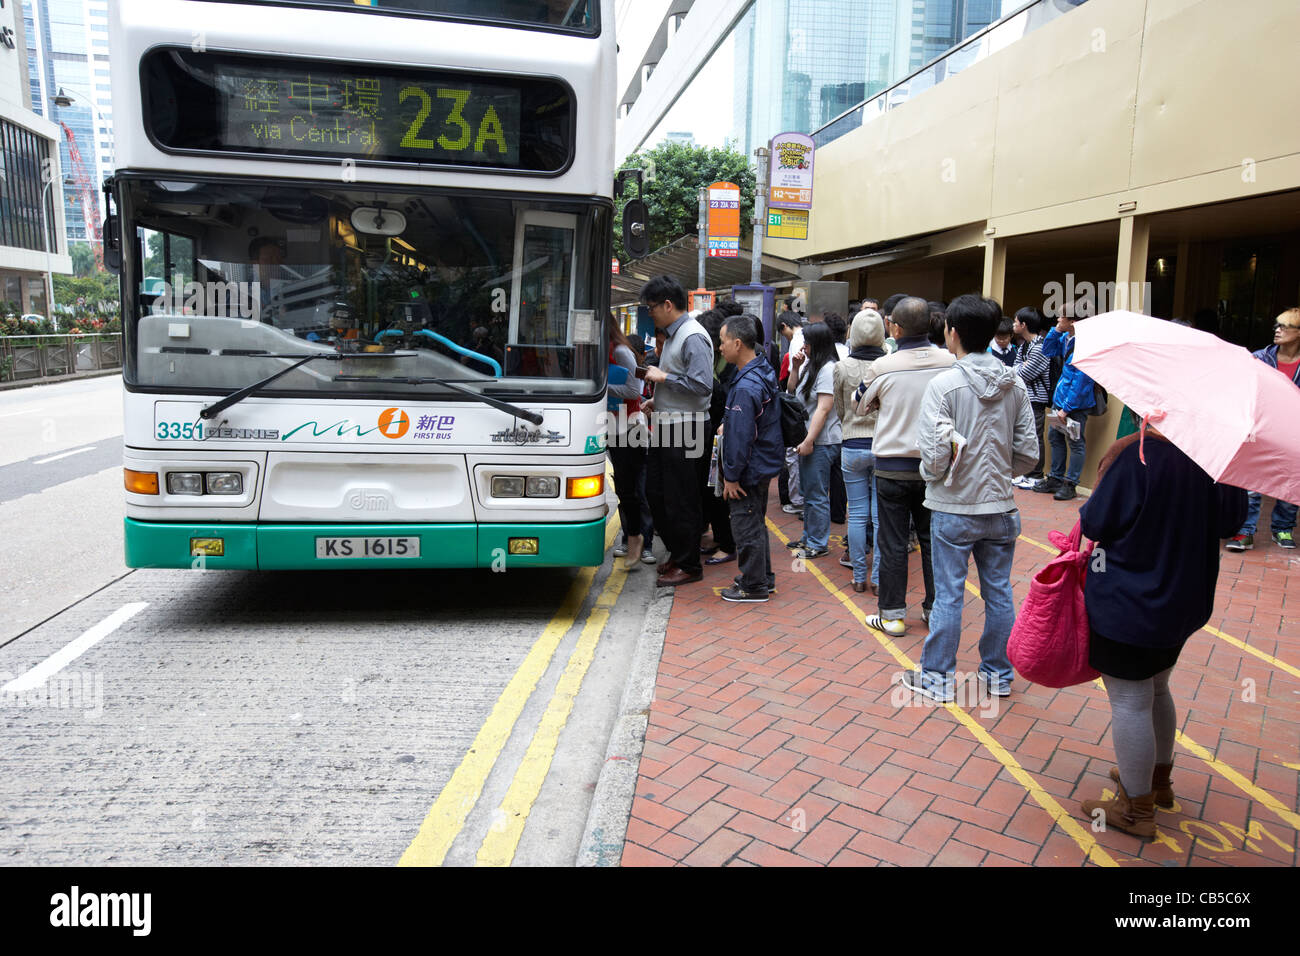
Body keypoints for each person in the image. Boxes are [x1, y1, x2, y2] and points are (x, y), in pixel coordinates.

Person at [1077, 427, 1247, 839]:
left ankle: (1136, 809)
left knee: (1131, 699)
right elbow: (1232, 521)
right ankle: (1157, 781)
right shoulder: (1218, 453)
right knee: (1155, 687)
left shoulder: (1140, 455)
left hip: (1130, 600)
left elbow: (1096, 519)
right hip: (1184, 600)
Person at [906, 295, 1039, 701]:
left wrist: (938, 475)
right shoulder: (1014, 383)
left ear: (953, 332)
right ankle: (998, 674)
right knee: (999, 592)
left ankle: (938, 678)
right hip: (1001, 506)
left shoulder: (943, 386)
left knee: (949, 593)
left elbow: (932, 456)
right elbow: (1029, 454)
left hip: (953, 507)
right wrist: (1000, 466)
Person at [853, 296, 955, 636]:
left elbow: (859, 405)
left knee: (893, 542)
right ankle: (934, 610)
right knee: (932, 541)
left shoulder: (885, 365)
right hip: (936, 468)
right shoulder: (950, 361)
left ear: (894, 327)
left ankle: (893, 615)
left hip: (892, 467)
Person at [640, 275, 714, 586]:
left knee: (681, 498)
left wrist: (663, 380)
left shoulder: (692, 336)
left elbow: (701, 385)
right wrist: (659, 400)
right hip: (670, 426)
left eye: (652, 307)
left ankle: (689, 564)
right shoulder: (673, 334)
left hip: (688, 429)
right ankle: (678, 553)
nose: (650, 313)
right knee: (657, 493)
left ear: (668, 305)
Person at [718, 314, 784, 602]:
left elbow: (741, 437)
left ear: (737, 343)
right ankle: (763, 578)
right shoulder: (761, 369)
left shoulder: (745, 386)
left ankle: (753, 586)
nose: (720, 348)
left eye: (722, 342)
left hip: (749, 467)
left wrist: (731, 476)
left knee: (745, 524)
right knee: (756, 521)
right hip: (764, 461)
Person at [1225, 307, 1300, 551]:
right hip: (1259, 424)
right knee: (1250, 481)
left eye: (1285, 326)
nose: (1277, 330)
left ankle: (1283, 529)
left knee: (1291, 478)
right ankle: (1245, 531)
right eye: (1276, 326)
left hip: (1292, 429)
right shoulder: (1260, 357)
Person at [834, 308, 886, 593]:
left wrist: (850, 424)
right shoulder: (889, 365)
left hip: (852, 443)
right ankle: (878, 578)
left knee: (855, 513)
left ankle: (857, 576)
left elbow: (841, 410)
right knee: (880, 515)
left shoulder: (842, 367)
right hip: (883, 445)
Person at [787, 322, 842, 559]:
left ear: (817, 344)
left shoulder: (828, 369)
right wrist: (796, 368)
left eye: (807, 344)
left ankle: (818, 543)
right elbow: (791, 392)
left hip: (821, 441)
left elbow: (824, 408)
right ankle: (809, 537)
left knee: (817, 494)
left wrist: (809, 440)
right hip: (809, 439)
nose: (804, 347)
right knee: (809, 492)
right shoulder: (811, 365)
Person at [1034, 300, 1095, 502]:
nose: (1057, 320)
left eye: (1061, 317)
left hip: (1075, 405)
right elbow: (1048, 350)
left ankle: (1070, 484)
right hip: (1060, 400)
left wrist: (1066, 409)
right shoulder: (1066, 338)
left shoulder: (1086, 344)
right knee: (1055, 437)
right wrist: (1055, 331)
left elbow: (1082, 381)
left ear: (1073, 320)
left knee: (1075, 442)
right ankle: (1056, 478)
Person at [607, 319, 655, 569]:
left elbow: (632, 391)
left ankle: (639, 539)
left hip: (630, 428)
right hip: (611, 427)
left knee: (633, 488)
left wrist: (600, 388)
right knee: (624, 488)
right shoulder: (600, 351)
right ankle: (633, 536)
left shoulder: (621, 352)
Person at [697, 309, 738, 567]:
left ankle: (727, 544)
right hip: (711, 435)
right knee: (710, 490)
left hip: (722, 437)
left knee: (717, 491)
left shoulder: (730, 366)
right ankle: (718, 537)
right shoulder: (714, 360)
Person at [1011, 307, 1051, 488]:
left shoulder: (1041, 347)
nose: (1013, 324)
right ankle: (1025, 473)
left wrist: (1019, 368)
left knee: (1035, 435)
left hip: (1036, 400)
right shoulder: (1024, 345)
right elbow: (1015, 368)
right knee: (1022, 435)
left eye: (1015, 321)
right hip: (1024, 398)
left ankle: (1036, 474)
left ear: (1024, 325)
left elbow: (1022, 374)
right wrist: (1020, 367)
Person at [776, 311, 807, 517]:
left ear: (785, 326)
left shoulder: (797, 341)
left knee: (793, 455)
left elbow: (793, 381)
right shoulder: (807, 336)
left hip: (797, 405)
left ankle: (797, 499)